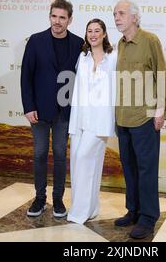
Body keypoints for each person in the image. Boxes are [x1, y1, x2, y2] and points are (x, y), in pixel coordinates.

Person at [112, 0, 166, 239]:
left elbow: (161, 74)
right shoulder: (120, 43)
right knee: (129, 167)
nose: (116, 17)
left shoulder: (150, 40)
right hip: (123, 117)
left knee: (147, 169)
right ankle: (133, 210)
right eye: (115, 13)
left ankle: (148, 218)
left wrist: (160, 110)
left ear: (135, 17)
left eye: (122, 13)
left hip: (145, 117)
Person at [21, 0, 83, 218]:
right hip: (38, 110)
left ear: (69, 20)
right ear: (49, 17)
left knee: (59, 154)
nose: (57, 21)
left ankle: (58, 200)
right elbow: (26, 76)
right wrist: (28, 106)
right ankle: (39, 199)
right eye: (54, 16)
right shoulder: (36, 41)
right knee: (39, 154)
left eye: (62, 17)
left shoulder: (78, 43)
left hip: (65, 111)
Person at [67, 19, 117, 224]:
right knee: (80, 164)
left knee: (84, 159)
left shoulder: (113, 57)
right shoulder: (82, 57)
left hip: (100, 122)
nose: (93, 34)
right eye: (90, 31)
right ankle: (92, 208)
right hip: (80, 119)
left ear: (104, 34)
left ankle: (79, 212)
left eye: (97, 30)